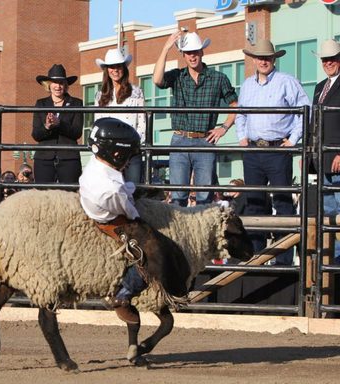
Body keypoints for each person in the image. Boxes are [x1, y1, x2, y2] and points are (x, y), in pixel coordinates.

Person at [79, 117, 189, 325]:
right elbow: (130, 213)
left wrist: (134, 190)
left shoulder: (97, 165)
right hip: (112, 219)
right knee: (154, 250)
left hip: (102, 199)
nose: (129, 161)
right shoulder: (111, 189)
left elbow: (122, 190)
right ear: (116, 153)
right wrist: (138, 212)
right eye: (128, 156)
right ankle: (123, 294)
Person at [235, 39, 310, 268]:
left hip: (278, 149)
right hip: (253, 150)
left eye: (267, 57)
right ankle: (256, 258)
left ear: (274, 59)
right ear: (254, 60)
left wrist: (293, 140)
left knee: (283, 203)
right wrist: (242, 137)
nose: (263, 61)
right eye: (260, 57)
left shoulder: (287, 82)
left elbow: (304, 110)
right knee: (254, 203)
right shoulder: (247, 85)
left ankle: (284, 261)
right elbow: (240, 113)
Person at [153, 31, 238, 206]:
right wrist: (165, 48)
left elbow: (235, 104)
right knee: (178, 196)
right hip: (180, 138)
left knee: (205, 197)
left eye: (195, 52)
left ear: (202, 52)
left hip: (205, 140)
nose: (192, 56)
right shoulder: (177, 76)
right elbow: (157, 80)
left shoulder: (218, 78)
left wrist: (224, 128)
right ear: (183, 55)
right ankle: (178, 233)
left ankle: (203, 233)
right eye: (188, 52)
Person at [94, 48, 146, 183]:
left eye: (119, 66)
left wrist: (132, 148)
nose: (115, 70)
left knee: (133, 193)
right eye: (112, 67)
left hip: (130, 152)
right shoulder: (100, 96)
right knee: (109, 193)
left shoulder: (136, 92)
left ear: (124, 68)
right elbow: (98, 125)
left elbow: (142, 123)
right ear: (107, 70)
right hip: (108, 154)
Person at [311, 39, 340, 261]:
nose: (328, 62)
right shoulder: (320, 87)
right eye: (325, 59)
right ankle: (333, 260)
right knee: (327, 212)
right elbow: (314, 123)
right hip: (321, 157)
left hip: (336, 155)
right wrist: (310, 152)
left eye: (332, 58)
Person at [32, 64, 83, 185]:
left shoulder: (76, 103)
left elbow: (77, 132)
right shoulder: (41, 104)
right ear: (49, 84)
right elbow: (35, 134)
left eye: (61, 82)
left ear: (66, 85)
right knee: (43, 196)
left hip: (69, 158)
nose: (58, 86)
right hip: (44, 158)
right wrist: (47, 126)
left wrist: (60, 123)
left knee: (70, 196)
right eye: (54, 82)